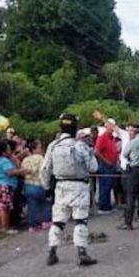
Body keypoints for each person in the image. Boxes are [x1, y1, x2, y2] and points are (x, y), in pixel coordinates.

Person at [41, 113, 99, 266]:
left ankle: (52, 252)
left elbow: (45, 169)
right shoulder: (80, 146)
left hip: (60, 186)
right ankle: (82, 253)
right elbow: (94, 167)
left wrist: (46, 187)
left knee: (58, 221)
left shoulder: (53, 146)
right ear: (75, 128)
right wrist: (90, 152)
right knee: (80, 220)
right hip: (79, 187)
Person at [118, 124, 139, 230]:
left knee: (131, 197)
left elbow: (124, 154)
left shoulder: (132, 142)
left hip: (135, 170)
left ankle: (128, 223)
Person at [0, 140, 31, 233]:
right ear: (4, 152)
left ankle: (0, 227)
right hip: (5, 186)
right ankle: (6, 228)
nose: (10, 151)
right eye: (9, 149)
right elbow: (10, 172)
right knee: (5, 208)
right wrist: (22, 171)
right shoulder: (5, 161)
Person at [21, 140, 51, 232]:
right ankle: (45, 221)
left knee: (31, 205)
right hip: (38, 184)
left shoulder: (25, 159)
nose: (42, 149)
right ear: (35, 149)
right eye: (40, 147)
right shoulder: (40, 158)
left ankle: (32, 225)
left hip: (28, 185)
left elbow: (22, 171)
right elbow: (45, 170)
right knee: (45, 203)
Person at [94, 118, 120, 214]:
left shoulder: (111, 137)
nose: (113, 128)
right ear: (107, 126)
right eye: (111, 126)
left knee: (109, 186)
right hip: (105, 165)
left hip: (112, 165)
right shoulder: (103, 137)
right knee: (104, 186)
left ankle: (108, 205)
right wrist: (106, 161)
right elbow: (97, 151)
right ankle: (103, 207)